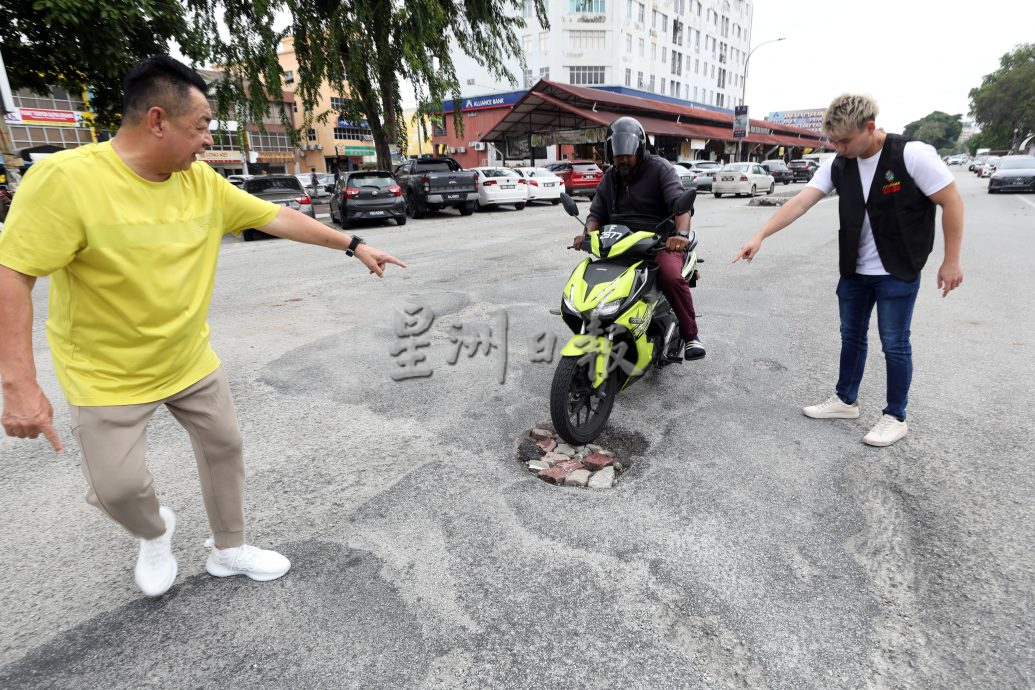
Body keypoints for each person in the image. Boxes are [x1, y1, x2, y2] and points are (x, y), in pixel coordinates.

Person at [0, 56, 405, 597]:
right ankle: (154, 529)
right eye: (202, 126)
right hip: (106, 372)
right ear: (158, 120)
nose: (207, 141)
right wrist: (19, 384)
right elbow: (13, 276)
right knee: (116, 489)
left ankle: (229, 548)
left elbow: (275, 216)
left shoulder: (201, 184)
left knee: (224, 447)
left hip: (189, 359)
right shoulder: (65, 180)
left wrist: (353, 244)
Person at [732, 93, 963, 447]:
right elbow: (800, 202)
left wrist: (951, 260)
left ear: (870, 128)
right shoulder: (839, 163)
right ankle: (845, 400)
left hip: (897, 268)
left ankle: (895, 416)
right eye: (833, 141)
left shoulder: (911, 154)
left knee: (895, 343)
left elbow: (951, 201)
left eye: (844, 140)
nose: (837, 147)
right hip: (854, 269)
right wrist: (760, 235)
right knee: (851, 336)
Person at [574, 116, 704, 360]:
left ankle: (691, 335)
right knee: (594, 277)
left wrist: (680, 235)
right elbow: (596, 213)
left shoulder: (660, 169)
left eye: (627, 155)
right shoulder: (610, 178)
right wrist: (587, 235)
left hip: (659, 242)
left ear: (640, 150)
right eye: (617, 155)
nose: (621, 160)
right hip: (619, 243)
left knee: (669, 275)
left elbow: (681, 206)